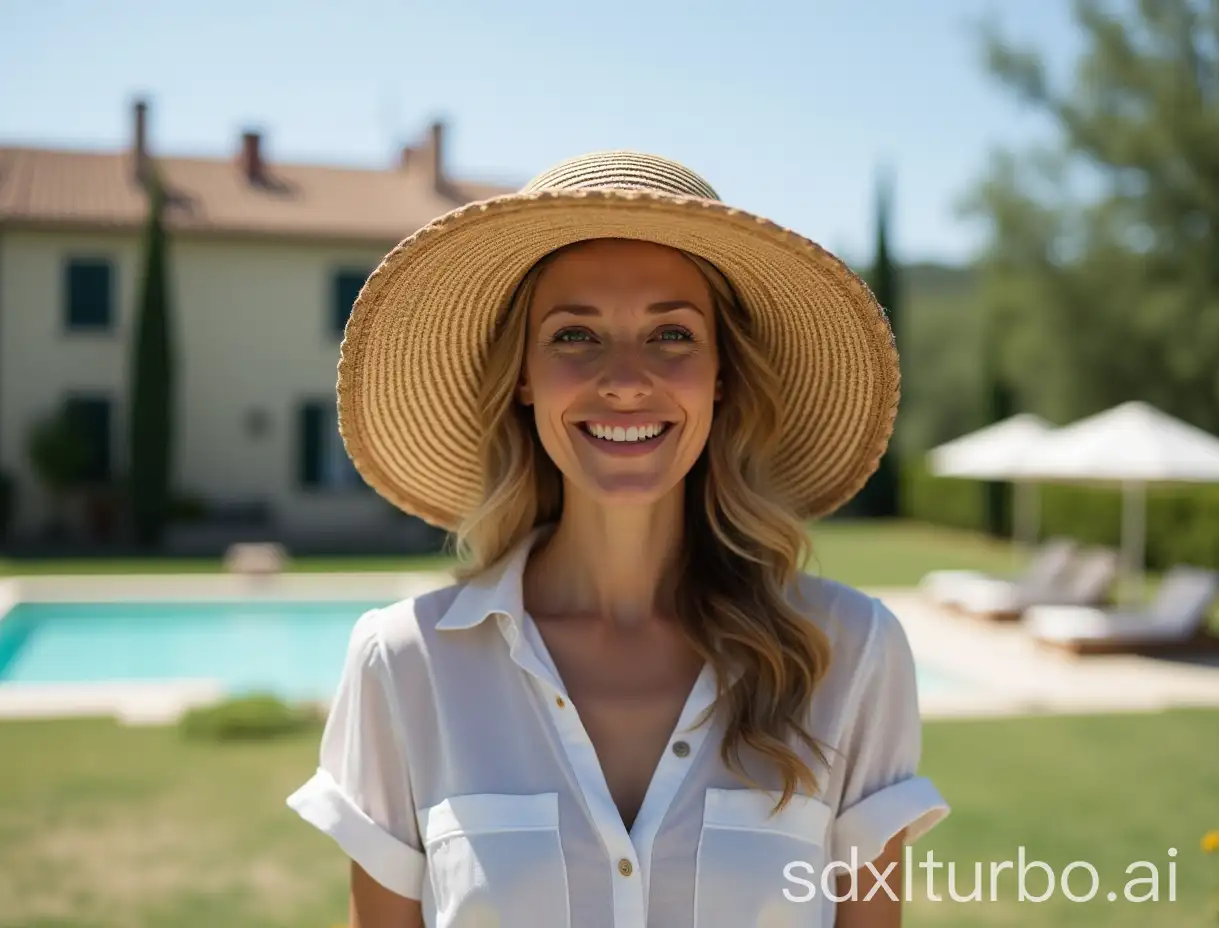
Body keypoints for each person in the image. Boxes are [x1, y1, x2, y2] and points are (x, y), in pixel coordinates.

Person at [287, 150, 949, 928]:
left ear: (721, 373)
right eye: (575, 337)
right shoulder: (405, 664)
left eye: (672, 334)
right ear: (523, 377)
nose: (627, 379)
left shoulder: (852, 654)